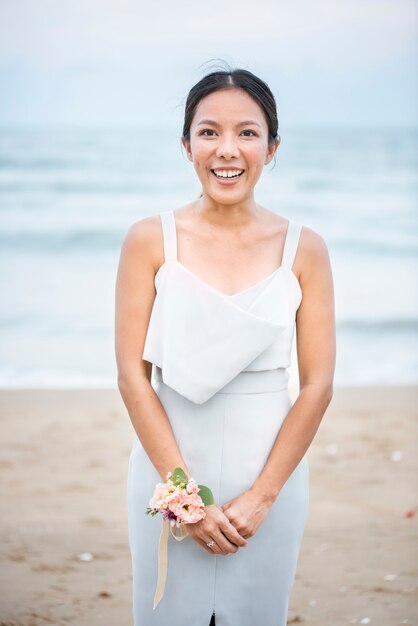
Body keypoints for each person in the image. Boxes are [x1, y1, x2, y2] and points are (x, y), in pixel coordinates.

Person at [115, 66, 336, 626]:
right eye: (209, 132)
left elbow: (317, 385)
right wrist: (184, 499)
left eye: (247, 132)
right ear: (186, 145)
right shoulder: (149, 239)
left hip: (270, 469)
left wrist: (263, 496)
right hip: (168, 464)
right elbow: (132, 377)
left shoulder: (304, 248)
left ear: (273, 146)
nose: (227, 150)